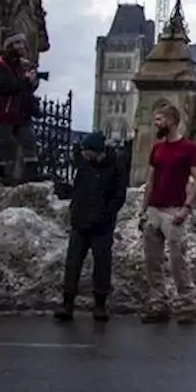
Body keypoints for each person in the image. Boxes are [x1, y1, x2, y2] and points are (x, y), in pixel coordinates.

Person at [138, 104, 196, 325]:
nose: (156, 123)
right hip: (155, 210)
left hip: (175, 211)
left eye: (160, 119)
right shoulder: (157, 148)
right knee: (152, 260)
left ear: (172, 121)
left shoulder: (188, 148)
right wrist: (143, 210)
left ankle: (186, 303)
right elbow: (150, 181)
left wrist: (186, 207)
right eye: (155, 120)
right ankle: (158, 302)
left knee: (177, 260)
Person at [55, 132, 125, 322]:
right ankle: (67, 304)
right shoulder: (85, 164)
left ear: (96, 152)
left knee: (102, 264)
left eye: (87, 151)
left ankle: (100, 305)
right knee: (73, 263)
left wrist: (106, 215)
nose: (83, 154)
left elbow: (119, 196)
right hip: (81, 222)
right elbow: (78, 187)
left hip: (102, 225)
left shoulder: (115, 166)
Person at [0, 32, 40, 185]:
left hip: (22, 112)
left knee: (29, 140)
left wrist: (33, 81)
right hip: (5, 111)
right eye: (18, 43)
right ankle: (0, 175)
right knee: (2, 143)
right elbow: (4, 87)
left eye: (23, 43)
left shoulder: (21, 65)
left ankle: (31, 173)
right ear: (10, 46)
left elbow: (27, 89)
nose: (22, 46)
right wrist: (25, 80)